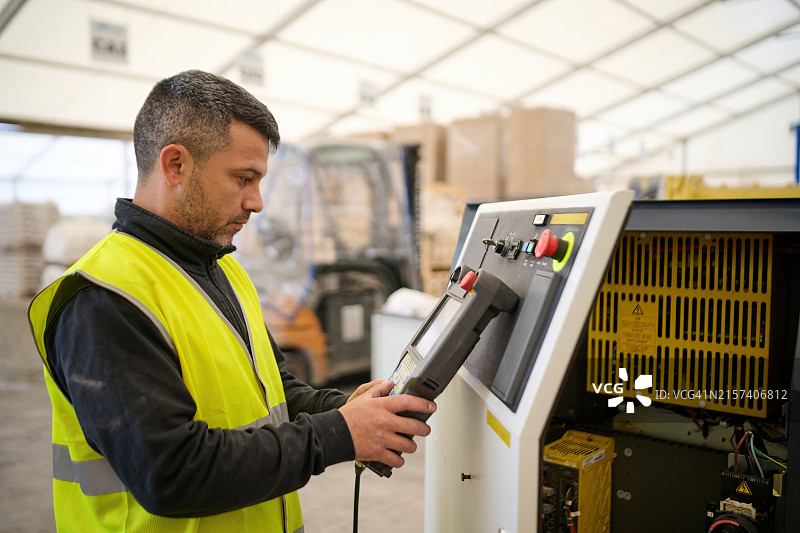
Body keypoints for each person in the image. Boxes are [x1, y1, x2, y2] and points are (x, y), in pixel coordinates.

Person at [28, 69, 435, 532]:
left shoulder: (222, 268)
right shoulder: (104, 299)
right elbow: (173, 473)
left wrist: (342, 409)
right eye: (244, 178)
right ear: (175, 165)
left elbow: (272, 388)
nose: (257, 202)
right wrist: (340, 434)